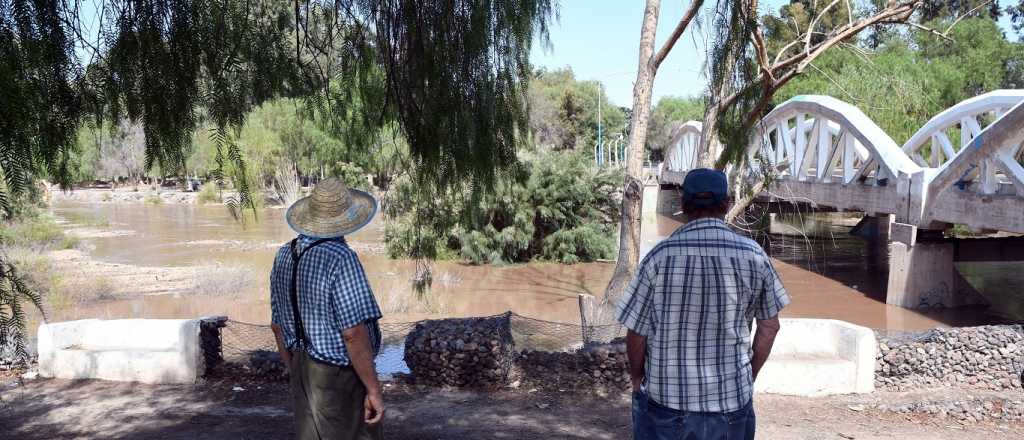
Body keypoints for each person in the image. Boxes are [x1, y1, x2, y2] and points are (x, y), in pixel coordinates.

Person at [617, 168, 790, 440]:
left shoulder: (658, 258)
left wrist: (638, 377)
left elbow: (637, 332)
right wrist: (749, 376)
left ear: (684, 205)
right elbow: (770, 328)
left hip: (667, 405)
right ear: (727, 204)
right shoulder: (754, 256)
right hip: (731, 404)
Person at [270, 177, 385, 440]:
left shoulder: (284, 254)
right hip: (339, 375)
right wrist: (373, 390)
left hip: (301, 365)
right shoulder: (341, 257)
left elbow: (276, 326)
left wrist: (294, 369)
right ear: (346, 217)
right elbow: (353, 334)